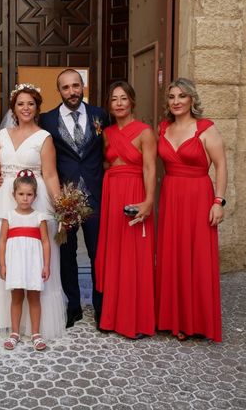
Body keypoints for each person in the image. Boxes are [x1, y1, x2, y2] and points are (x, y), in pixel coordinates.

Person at [0, 84, 66, 339]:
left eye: (30, 104)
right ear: (13, 108)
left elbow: (51, 174)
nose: (26, 108)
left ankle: (33, 323)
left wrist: (63, 206)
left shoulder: (44, 138)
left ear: (37, 108)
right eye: (21, 104)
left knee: (34, 253)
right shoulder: (3, 136)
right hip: (5, 200)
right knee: (0, 251)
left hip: (36, 198)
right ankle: (1, 316)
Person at [155, 78, 227, 342]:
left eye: (182, 96)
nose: (176, 101)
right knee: (172, 254)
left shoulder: (206, 128)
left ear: (192, 100)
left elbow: (221, 166)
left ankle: (195, 320)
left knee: (195, 255)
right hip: (171, 195)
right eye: (172, 97)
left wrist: (218, 202)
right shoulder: (163, 128)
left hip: (198, 195)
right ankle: (173, 318)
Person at [39, 69, 107, 329]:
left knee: (97, 254)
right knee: (66, 254)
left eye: (75, 86)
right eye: (66, 88)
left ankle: (102, 308)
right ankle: (73, 307)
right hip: (63, 199)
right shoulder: (47, 119)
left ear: (83, 86)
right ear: (59, 91)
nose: (72, 92)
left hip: (95, 195)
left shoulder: (100, 115)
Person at [94, 81, 156, 338]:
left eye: (123, 99)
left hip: (134, 191)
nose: (118, 104)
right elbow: (107, 165)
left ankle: (137, 320)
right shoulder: (106, 132)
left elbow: (150, 168)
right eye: (114, 99)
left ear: (132, 101)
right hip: (112, 192)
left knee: (134, 254)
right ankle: (111, 316)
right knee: (113, 252)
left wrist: (149, 201)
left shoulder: (145, 132)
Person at [0, 170, 51, 351]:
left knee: (34, 298)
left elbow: (45, 242)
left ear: (35, 196)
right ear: (14, 195)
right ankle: (14, 333)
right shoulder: (8, 216)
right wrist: (3, 264)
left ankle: (36, 333)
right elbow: (2, 241)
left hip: (33, 264)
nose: (25, 198)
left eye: (29, 195)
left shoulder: (39, 217)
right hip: (15, 263)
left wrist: (46, 265)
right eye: (21, 194)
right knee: (16, 297)